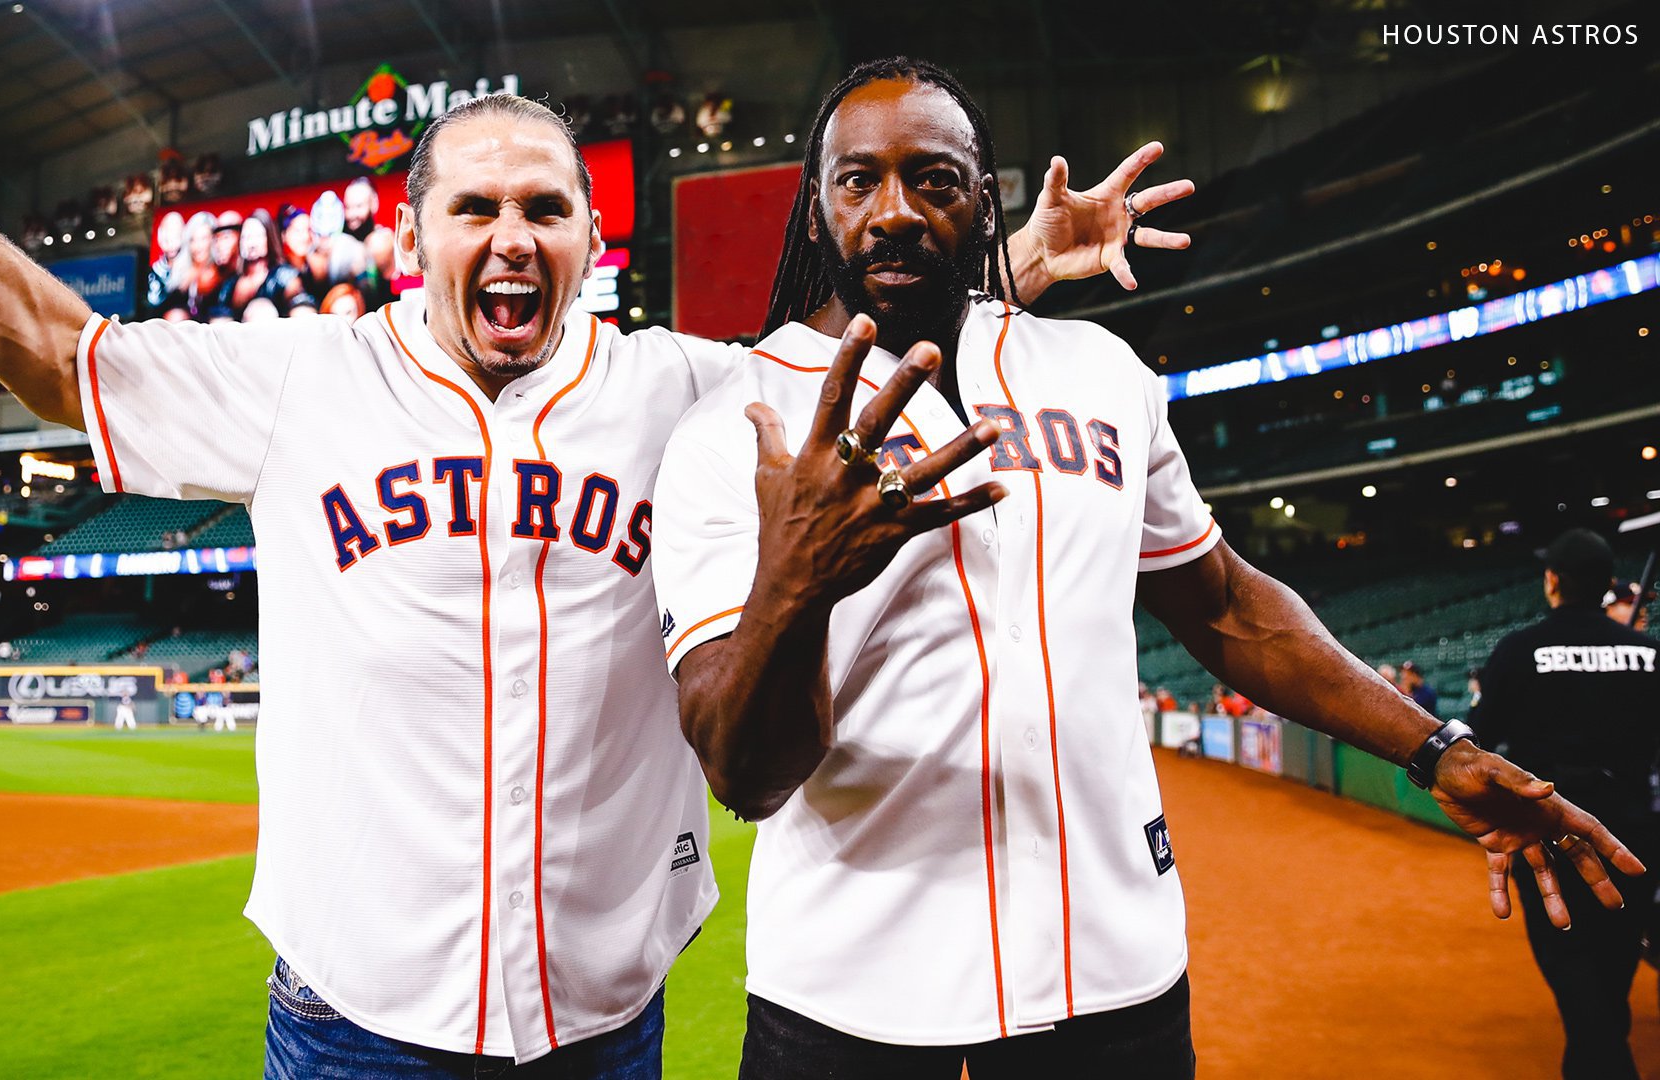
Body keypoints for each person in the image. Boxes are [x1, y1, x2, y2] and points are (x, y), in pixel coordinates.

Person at [0, 32, 1197, 1077]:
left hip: (601, 1026)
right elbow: (53, 352)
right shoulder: (301, 381)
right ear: (418, 232)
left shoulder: (686, 392)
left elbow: (866, 336)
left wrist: (1013, 271)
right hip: (351, 1030)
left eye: (544, 210)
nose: (511, 239)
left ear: (590, 237)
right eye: (477, 209)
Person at [651, 57, 1644, 1078]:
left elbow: (1226, 606)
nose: (895, 210)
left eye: (936, 179)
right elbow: (745, 772)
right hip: (847, 1006)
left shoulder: (1098, 373)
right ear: (815, 213)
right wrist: (798, 579)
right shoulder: (738, 427)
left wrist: (1436, 747)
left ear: (986, 205)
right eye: (857, 180)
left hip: (1114, 985)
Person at [1468, 529, 1660, 1079]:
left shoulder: (1522, 647)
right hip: (1635, 831)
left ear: (1552, 581)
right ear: (1605, 586)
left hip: (1552, 831)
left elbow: (1481, 739)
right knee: (1617, 960)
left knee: (1569, 962)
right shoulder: (1648, 654)